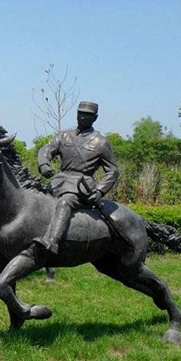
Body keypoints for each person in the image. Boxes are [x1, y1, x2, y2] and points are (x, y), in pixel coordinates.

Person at [34, 101, 120, 254]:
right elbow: (47, 148)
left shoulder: (101, 142)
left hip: (80, 186)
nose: (82, 117)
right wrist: (44, 164)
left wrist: (99, 191)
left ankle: (53, 242)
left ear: (95, 118)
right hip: (58, 182)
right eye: (80, 113)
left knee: (65, 202)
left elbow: (112, 170)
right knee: (34, 199)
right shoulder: (64, 136)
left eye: (87, 115)